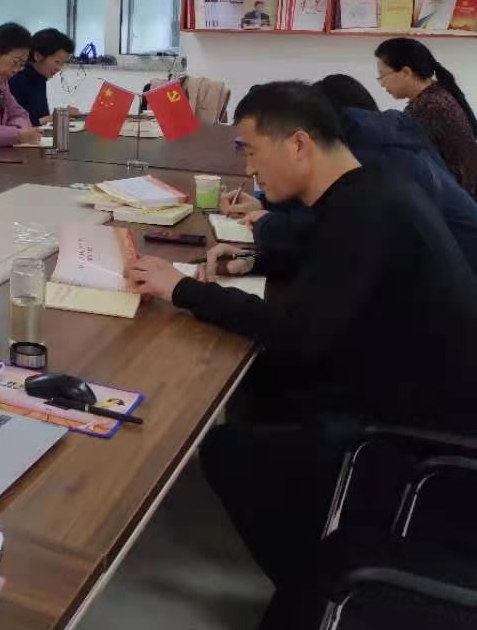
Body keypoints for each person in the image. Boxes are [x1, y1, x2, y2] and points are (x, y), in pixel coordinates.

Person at [125, 82, 477, 625]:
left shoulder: (364, 210)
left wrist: (182, 290)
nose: (249, 169)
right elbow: (328, 261)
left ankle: (320, 590)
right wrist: (254, 262)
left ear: (297, 144)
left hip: (415, 430)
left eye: (251, 151)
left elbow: (299, 333)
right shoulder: (371, 188)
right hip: (412, 391)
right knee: (260, 387)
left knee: (229, 447)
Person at [213, 73, 477, 276]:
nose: (249, 168)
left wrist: (265, 223)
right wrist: (265, 205)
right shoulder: (387, 137)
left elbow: (314, 235)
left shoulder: (372, 165)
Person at [375, 36, 477, 196]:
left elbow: (408, 163)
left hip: (456, 200)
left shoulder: (429, 107)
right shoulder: (437, 95)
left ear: (406, 72)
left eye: (382, 76)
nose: (382, 84)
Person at [6, 27, 75, 125]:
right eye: (57, 62)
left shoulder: (40, 78)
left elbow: (39, 116)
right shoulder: (18, 80)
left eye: (63, 63)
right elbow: (12, 125)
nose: (59, 68)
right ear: (38, 56)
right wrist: (47, 119)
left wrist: (62, 115)